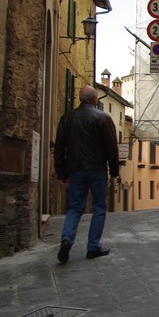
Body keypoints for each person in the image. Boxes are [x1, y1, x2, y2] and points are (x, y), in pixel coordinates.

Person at [54, 85, 120, 263]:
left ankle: (67, 238)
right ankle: (93, 246)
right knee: (99, 207)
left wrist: (61, 172)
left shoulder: (67, 119)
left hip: (75, 169)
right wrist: (114, 171)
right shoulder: (103, 118)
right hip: (97, 169)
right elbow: (111, 147)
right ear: (95, 99)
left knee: (74, 207)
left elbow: (59, 147)